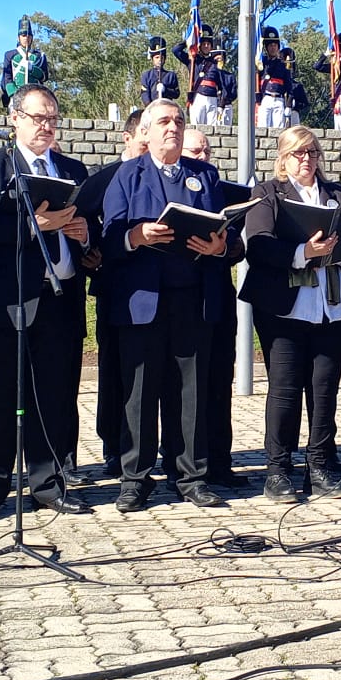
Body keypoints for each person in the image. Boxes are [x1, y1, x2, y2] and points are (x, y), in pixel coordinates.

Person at [0, 86, 94, 519]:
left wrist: (84, 233)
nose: (46, 126)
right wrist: (36, 224)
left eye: (52, 118)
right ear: (15, 118)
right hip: (7, 302)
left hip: (60, 300)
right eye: (38, 117)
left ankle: (48, 483)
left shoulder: (73, 169)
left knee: (54, 396)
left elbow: (93, 223)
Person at [101, 99, 238, 511]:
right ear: (145, 131)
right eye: (163, 121)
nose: (173, 127)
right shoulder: (127, 175)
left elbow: (226, 232)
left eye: (179, 120)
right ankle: (135, 479)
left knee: (190, 393)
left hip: (193, 301)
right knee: (139, 394)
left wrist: (219, 247)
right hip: (143, 302)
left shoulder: (205, 175)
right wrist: (136, 236)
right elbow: (109, 238)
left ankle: (191, 477)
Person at [241, 125, 341, 502]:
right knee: (285, 389)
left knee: (324, 390)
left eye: (312, 152)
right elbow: (258, 246)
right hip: (284, 307)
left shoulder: (338, 195)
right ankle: (277, 470)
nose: (306, 159)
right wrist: (303, 252)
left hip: (330, 306)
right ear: (283, 157)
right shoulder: (268, 194)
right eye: (298, 153)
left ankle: (319, 466)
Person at [180, 128, 248, 488]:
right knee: (187, 388)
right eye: (196, 151)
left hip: (218, 296)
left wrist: (224, 246)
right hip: (179, 298)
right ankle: (184, 463)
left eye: (206, 151)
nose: (203, 157)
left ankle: (220, 462)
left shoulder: (215, 187)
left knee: (220, 383)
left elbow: (237, 244)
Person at [85, 109, 147, 481]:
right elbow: (83, 215)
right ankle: (113, 446)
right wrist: (91, 250)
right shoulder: (107, 176)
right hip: (114, 286)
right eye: (143, 139)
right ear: (127, 138)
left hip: (154, 289)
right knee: (114, 372)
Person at [183, 38, 228, 126]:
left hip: (212, 98)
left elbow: (222, 86)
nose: (206, 46)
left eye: (208, 44)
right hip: (198, 96)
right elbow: (176, 51)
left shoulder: (215, 64)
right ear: (200, 46)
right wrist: (190, 40)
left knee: (212, 127)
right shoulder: (194, 61)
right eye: (204, 44)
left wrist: (221, 104)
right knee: (196, 126)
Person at [140, 36, 180, 105]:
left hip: (167, 106)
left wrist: (166, 90)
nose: (159, 60)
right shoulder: (146, 75)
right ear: (152, 59)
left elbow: (176, 94)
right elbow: (144, 94)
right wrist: (150, 106)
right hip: (152, 107)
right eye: (157, 57)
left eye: (161, 57)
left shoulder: (171, 75)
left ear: (164, 58)